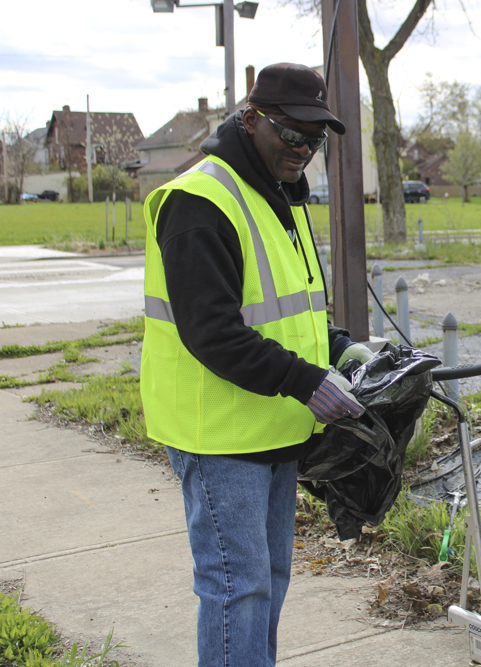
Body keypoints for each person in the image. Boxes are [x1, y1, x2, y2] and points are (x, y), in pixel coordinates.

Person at [140, 62, 374, 667]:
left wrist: (339, 348)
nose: (303, 149)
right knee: (236, 590)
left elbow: (289, 309)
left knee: (267, 579)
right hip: (217, 433)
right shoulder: (199, 202)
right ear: (249, 119)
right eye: (290, 133)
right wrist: (306, 380)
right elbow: (213, 333)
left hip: (273, 427)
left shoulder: (278, 196)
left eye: (314, 139)